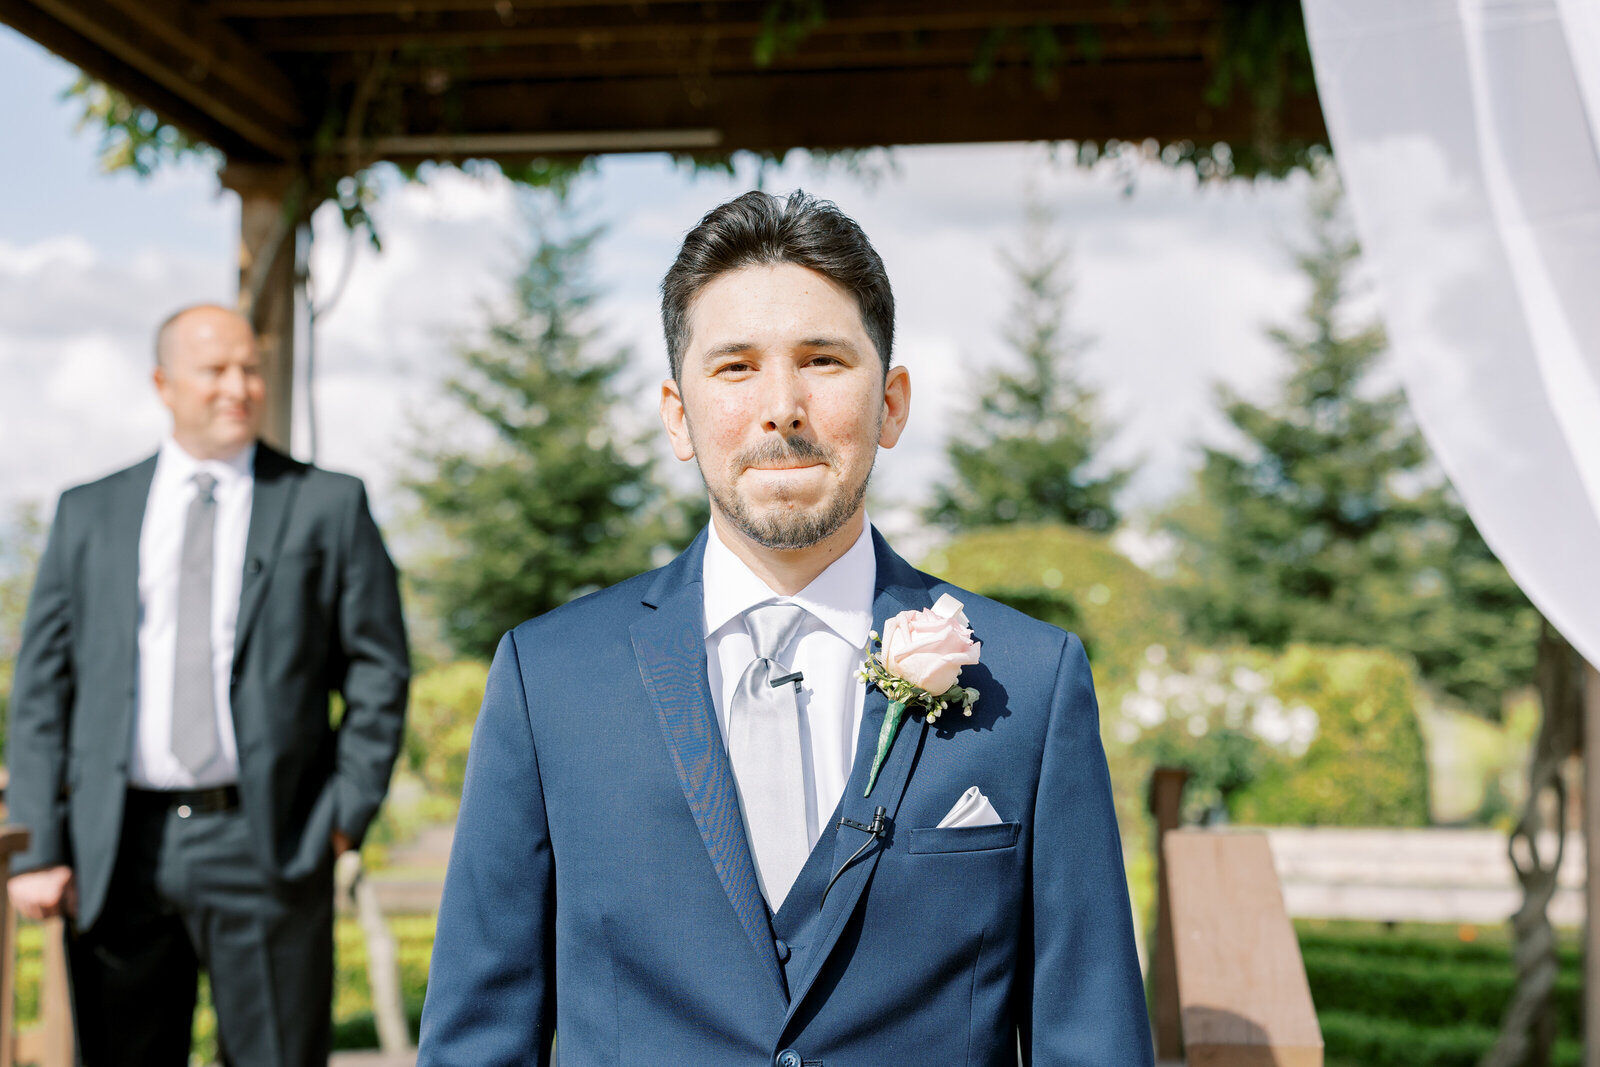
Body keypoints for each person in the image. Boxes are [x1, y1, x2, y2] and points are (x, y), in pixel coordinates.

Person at [418, 191, 1152, 1066]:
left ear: (891, 402)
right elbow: (477, 1042)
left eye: (823, 360)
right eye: (735, 367)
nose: (783, 405)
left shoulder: (1030, 679)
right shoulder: (549, 680)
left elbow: (1092, 1037)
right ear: (678, 415)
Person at [6, 304, 410, 1066]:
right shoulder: (87, 511)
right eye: (216, 369)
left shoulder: (328, 503)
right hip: (116, 846)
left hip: (269, 843)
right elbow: (41, 688)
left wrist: (342, 815)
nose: (240, 385)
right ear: (163, 383)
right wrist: (37, 845)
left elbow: (380, 670)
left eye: (251, 368)